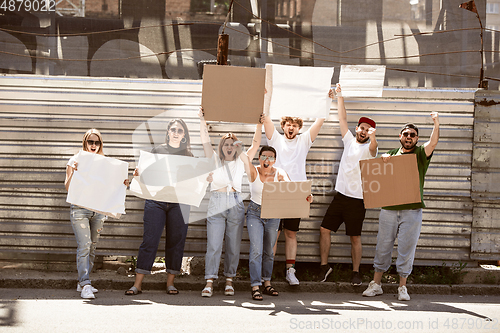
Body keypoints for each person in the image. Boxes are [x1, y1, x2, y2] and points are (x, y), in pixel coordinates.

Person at [362, 112, 439, 301]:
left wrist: (436, 123)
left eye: (412, 135)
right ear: (400, 137)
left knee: (406, 248)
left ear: (417, 139)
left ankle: (402, 287)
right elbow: (378, 177)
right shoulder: (391, 155)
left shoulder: (420, 154)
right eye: (406, 134)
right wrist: (384, 160)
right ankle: (376, 284)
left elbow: (433, 143)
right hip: (389, 210)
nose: (409, 137)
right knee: (383, 246)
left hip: (412, 211)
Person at [263, 88, 333, 285]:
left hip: (296, 192)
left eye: (294, 125)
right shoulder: (275, 139)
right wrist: (265, 95)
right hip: (276, 192)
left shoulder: (304, 140)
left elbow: (320, 120)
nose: (291, 128)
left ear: (299, 127)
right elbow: (266, 118)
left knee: (291, 233)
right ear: (283, 126)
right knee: (273, 233)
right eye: (288, 124)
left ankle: (290, 271)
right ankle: (266, 272)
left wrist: (327, 101)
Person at [198, 108, 263, 297]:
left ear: (236, 147)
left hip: (235, 203)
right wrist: (202, 119)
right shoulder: (214, 159)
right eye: (226, 144)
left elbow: (256, 143)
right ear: (221, 147)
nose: (229, 146)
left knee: (233, 245)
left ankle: (229, 281)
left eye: (232, 144)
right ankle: (209, 281)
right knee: (214, 244)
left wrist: (259, 123)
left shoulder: (242, 161)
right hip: (217, 202)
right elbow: (204, 139)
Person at [125, 119, 193, 296]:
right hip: (156, 200)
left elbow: (192, 182)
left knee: (176, 241)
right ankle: (137, 284)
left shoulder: (188, 156)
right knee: (150, 240)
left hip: (179, 202)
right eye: (173, 129)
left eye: (180, 130)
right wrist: (138, 174)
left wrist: (204, 179)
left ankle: (170, 283)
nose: (176, 132)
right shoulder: (157, 151)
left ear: (184, 134)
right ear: (168, 132)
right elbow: (147, 176)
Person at [319, 84, 378, 286]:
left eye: (367, 130)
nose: (363, 131)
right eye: (361, 128)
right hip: (340, 196)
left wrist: (373, 136)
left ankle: (355, 272)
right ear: (357, 129)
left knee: (355, 237)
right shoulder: (349, 141)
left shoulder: (371, 150)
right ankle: (324, 266)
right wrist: (339, 96)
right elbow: (342, 118)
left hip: (358, 200)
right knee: (324, 229)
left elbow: (374, 146)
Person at [241, 145, 313, 300]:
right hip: (255, 213)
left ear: (275, 160)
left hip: (274, 214)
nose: (267, 160)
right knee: (256, 250)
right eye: (264, 156)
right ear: (259, 158)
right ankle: (255, 285)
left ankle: (266, 282)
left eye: (271, 157)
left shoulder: (279, 172)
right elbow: (244, 158)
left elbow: (290, 187)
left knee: (269, 251)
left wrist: (305, 197)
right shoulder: (253, 171)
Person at [65, 128, 129, 299]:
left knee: (92, 246)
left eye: (97, 142)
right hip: (80, 209)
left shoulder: (105, 163)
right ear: (84, 142)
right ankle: (86, 283)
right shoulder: (75, 160)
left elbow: (109, 187)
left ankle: (82, 282)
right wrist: (75, 173)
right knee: (84, 245)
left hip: (99, 211)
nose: (93, 145)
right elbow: (67, 187)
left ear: (101, 144)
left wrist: (122, 182)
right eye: (90, 142)